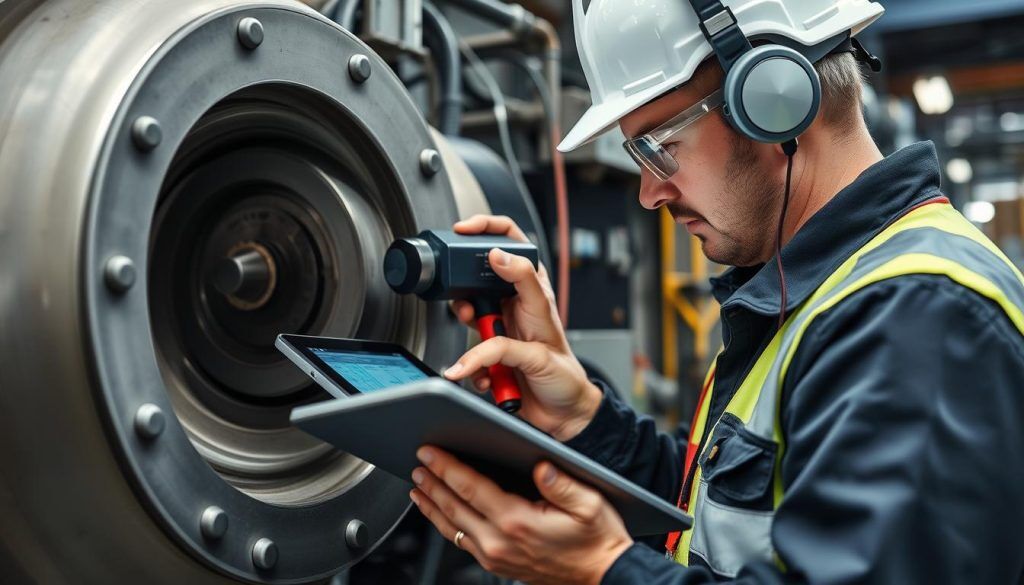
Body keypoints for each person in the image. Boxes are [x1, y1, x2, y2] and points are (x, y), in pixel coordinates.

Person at [407, 0, 1024, 583]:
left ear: (773, 100)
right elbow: (727, 512)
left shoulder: (916, 317)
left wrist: (604, 571)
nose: (649, 193)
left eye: (660, 146)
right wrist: (587, 421)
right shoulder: (814, 292)